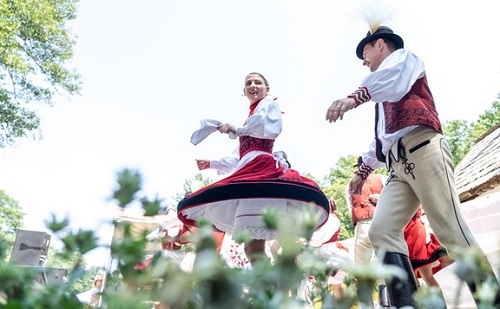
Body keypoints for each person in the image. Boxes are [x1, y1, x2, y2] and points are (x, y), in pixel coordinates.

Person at [325, 22, 500, 308]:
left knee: (450, 230)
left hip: (423, 148)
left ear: (380, 44)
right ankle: (407, 304)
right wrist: (362, 171)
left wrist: (353, 98)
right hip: (398, 166)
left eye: (365, 51)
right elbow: (383, 138)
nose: (363, 60)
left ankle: (491, 302)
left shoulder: (404, 61)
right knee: (380, 231)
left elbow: (392, 83)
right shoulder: (380, 91)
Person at [178, 72, 330, 264]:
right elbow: (239, 157)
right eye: (248, 83)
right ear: (244, 91)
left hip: (261, 172)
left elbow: (265, 126)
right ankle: (269, 288)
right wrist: (212, 163)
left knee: (254, 247)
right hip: (249, 170)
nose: (253, 85)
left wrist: (237, 130)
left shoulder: (268, 106)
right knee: (252, 247)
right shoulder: (251, 119)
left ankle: (269, 289)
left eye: (258, 82)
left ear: (267, 90)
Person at [345, 159, 390, 307]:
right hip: (382, 223)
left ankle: (368, 304)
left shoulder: (350, 186)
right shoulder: (382, 179)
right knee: (382, 263)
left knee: (362, 268)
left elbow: (351, 206)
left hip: (363, 224)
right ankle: (384, 303)